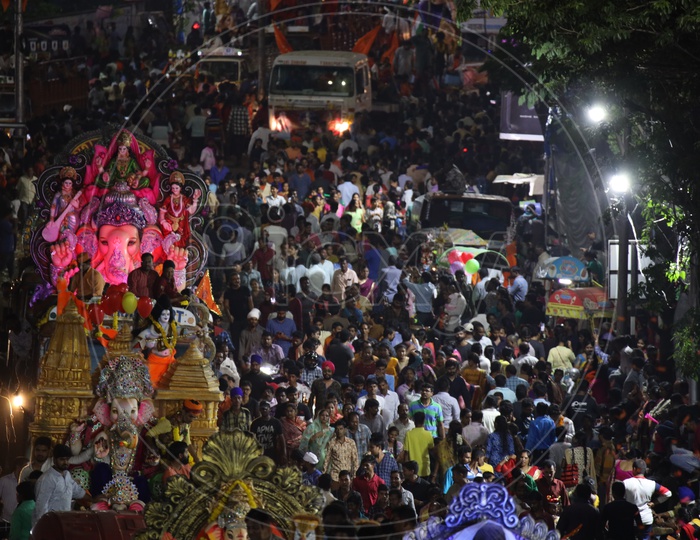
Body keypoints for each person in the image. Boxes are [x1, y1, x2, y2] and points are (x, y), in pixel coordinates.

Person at [32, 445, 89, 526]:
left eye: (67, 459)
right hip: (50, 526)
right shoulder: (47, 479)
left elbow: (78, 492)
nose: (65, 462)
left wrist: (93, 499)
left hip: (63, 523)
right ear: (54, 460)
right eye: (62, 459)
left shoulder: (67, 475)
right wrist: (44, 527)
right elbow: (41, 507)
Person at [622, 459, 671, 538]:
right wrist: (654, 502)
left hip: (630, 519)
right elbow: (668, 493)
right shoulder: (652, 484)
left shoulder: (625, 483)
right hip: (646, 519)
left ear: (634, 469)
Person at [323, 420, 359, 486]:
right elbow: (326, 460)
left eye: (341, 429)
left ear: (345, 429)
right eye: (337, 429)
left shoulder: (351, 443)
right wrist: (323, 474)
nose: (339, 431)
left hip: (348, 477)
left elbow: (355, 460)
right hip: (335, 477)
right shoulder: (331, 443)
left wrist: (354, 477)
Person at [401, 411, 435, 479]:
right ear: (424, 421)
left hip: (412, 470)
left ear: (414, 421)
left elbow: (406, 454)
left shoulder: (409, 434)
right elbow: (432, 450)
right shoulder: (428, 434)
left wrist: (405, 469)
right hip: (425, 468)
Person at [0, 457, 27, 524]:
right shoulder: (4, 480)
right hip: (6, 520)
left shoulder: (27, 482)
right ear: (18, 467)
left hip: (23, 521)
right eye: (26, 467)